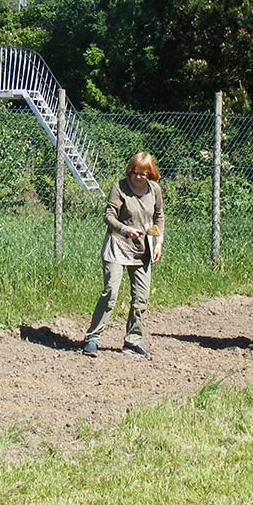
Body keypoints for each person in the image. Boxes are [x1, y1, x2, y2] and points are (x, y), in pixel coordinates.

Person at [82, 152, 164, 358]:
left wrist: (158, 243)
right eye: (134, 172)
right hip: (118, 245)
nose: (137, 177)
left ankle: (132, 340)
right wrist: (124, 230)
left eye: (143, 174)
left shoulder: (155, 190)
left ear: (150, 174)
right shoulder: (119, 187)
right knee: (111, 292)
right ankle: (92, 338)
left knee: (141, 297)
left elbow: (159, 216)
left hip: (142, 249)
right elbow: (108, 215)